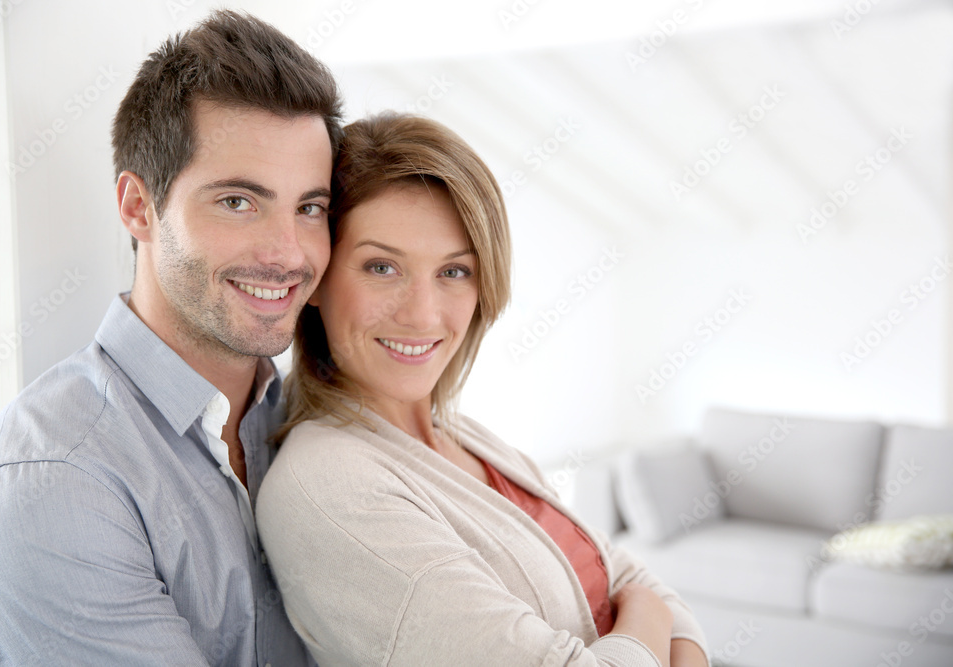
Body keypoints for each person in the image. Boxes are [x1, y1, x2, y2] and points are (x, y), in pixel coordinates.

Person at [0, 10, 341, 665]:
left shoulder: (307, 422)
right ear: (138, 207)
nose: (288, 253)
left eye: (309, 207)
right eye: (238, 201)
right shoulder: (52, 481)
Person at [255, 113, 709, 667]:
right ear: (319, 277)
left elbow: (634, 577)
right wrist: (649, 615)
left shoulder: (466, 439)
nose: (423, 315)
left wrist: (650, 610)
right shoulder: (328, 488)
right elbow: (648, 599)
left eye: (454, 272)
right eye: (381, 266)